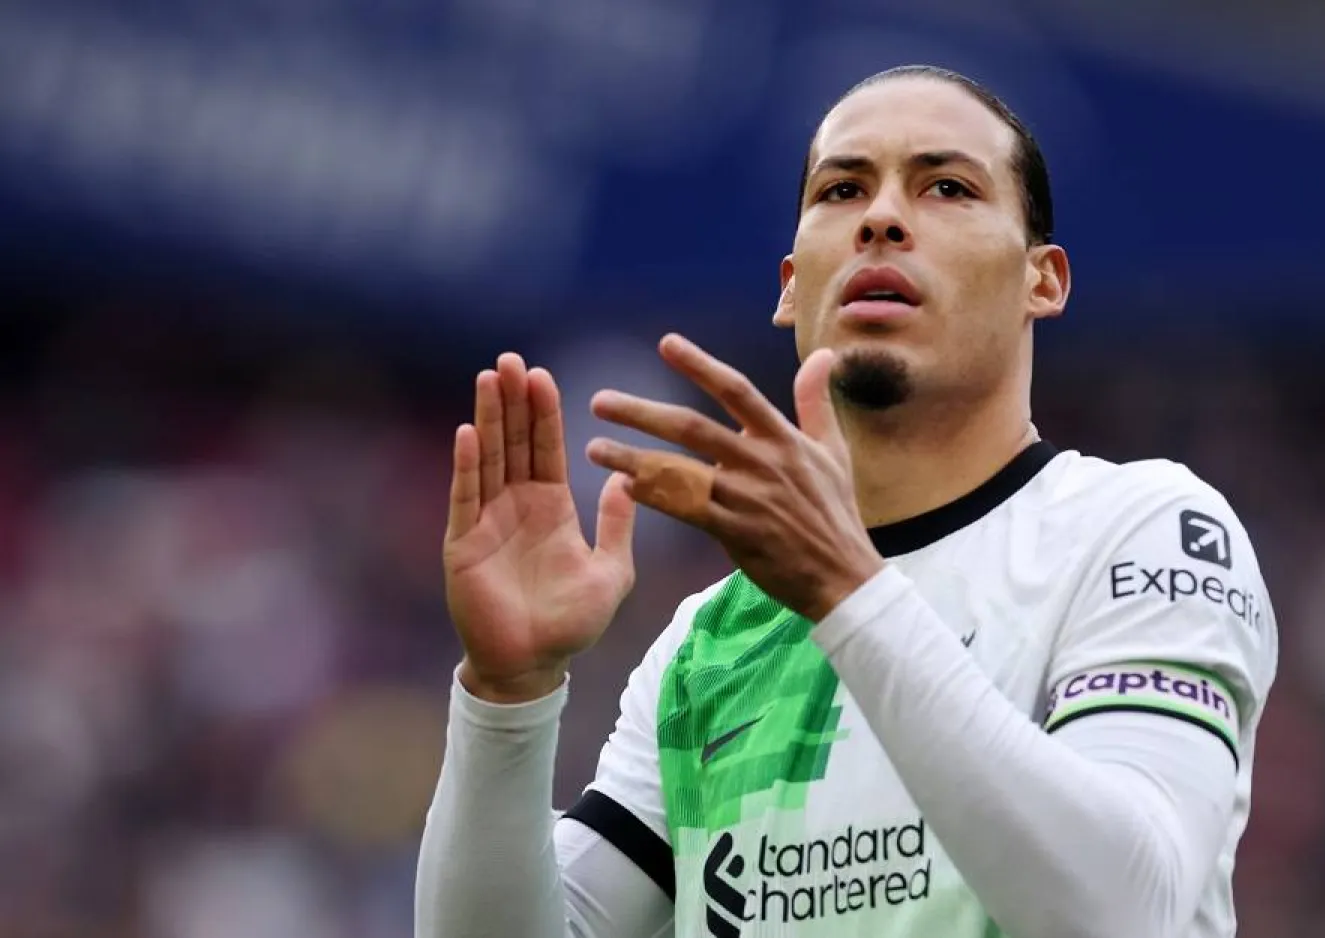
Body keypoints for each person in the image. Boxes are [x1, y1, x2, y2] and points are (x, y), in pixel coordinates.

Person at [415, 64, 1278, 938]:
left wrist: (846, 592)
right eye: (843, 188)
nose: (882, 217)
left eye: (947, 187)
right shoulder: (709, 645)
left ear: (1042, 280)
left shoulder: (1143, 532)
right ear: (793, 287)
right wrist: (507, 698)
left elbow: (1129, 912)